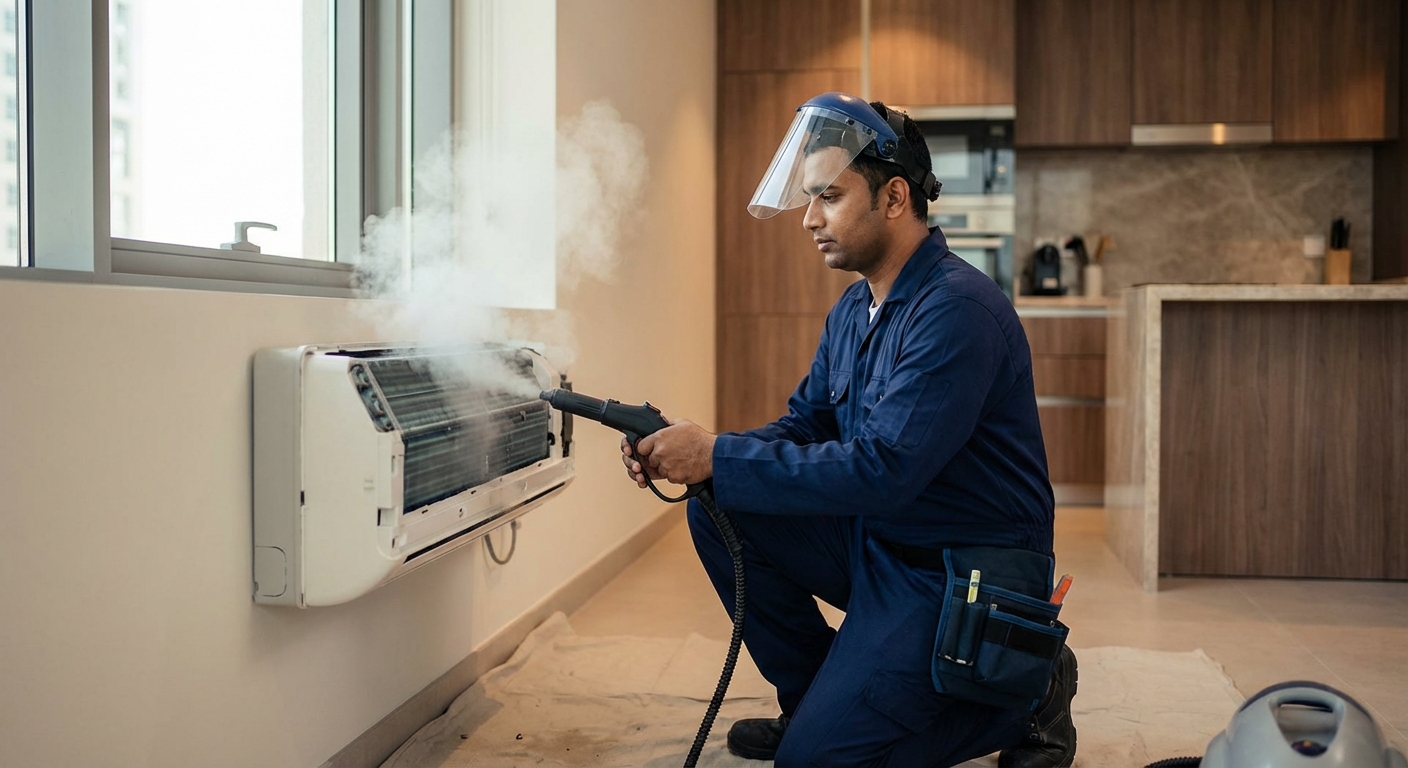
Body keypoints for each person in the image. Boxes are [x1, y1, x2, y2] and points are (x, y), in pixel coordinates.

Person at [622, 92, 1077, 768]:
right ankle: (811, 699)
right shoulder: (855, 309)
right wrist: (697, 454)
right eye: (809, 198)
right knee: (720, 507)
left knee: (816, 763)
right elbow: (808, 424)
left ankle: (1029, 696)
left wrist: (718, 453)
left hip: (959, 573)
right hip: (885, 544)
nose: (809, 219)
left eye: (828, 197)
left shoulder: (956, 311)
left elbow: (883, 469)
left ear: (894, 199)